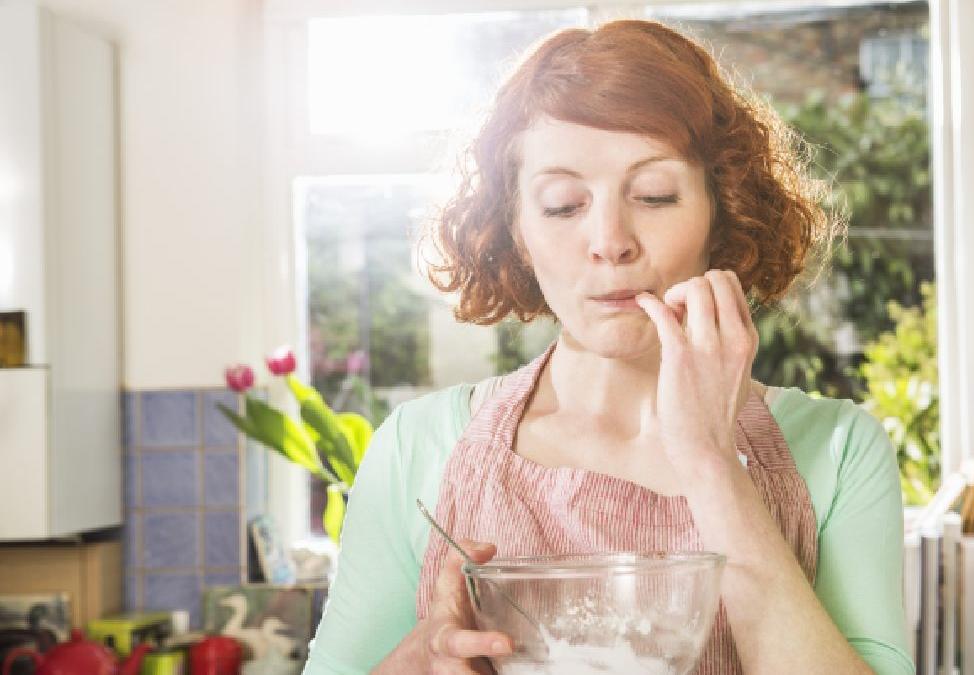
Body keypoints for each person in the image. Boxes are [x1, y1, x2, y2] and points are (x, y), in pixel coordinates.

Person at [303, 18, 913, 675]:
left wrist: (710, 460)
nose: (610, 239)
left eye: (653, 195)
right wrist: (420, 660)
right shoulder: (413, 447)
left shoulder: (840, 450)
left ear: (723, 210)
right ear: (517, 231)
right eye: (564, 205)